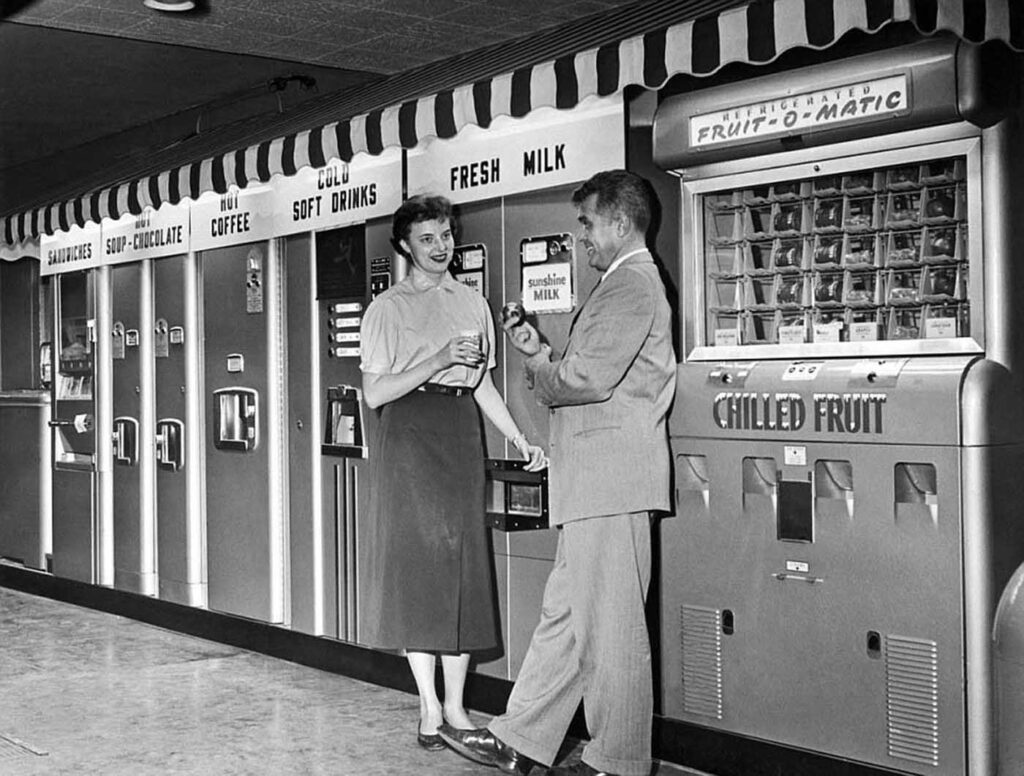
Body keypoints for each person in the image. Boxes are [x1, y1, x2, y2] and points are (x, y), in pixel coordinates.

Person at [439, 170, 676, 776]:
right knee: (567, 619)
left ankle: (618, 760)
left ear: (620, 223)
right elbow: (584, 372)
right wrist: (538, 352)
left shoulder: (631, 285)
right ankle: (522, 739)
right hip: (596, 482)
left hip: (611, 481)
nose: (582, 238)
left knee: (612, 631)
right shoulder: (622, 285)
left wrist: (543, 374)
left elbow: (586, 380)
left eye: (589, 224)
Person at [359, 194, 547, 752]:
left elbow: (482, 384)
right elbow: (375, 394)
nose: (441, 247)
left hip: (461, 431)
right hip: (410, 434)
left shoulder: (472, 303)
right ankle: (427, 707)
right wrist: (437, 360)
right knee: (420, 570)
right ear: (404, 246)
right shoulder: (386, 309)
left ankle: (457, 706)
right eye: (427, 239)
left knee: (464, 565)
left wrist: (520, 438)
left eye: (446, 235)